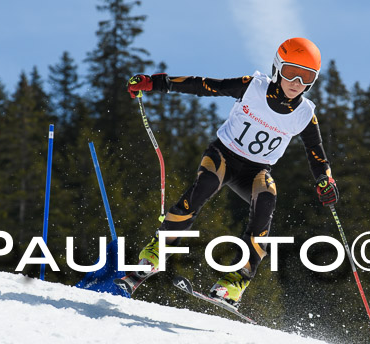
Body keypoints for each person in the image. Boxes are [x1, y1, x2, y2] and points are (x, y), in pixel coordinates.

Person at [115, 37, 339, 309]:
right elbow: (206, 85)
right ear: (278, 67)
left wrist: (324, 180)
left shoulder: (304, 114)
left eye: (307, 77)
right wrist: (156, 82)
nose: (297, 83)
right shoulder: (253, 88)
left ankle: (235, 281)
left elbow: (316, 152)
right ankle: (155, 252)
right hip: (224, 156)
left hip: (256, 170)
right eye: (292, 73)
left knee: (267, 201)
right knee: (204, 186)